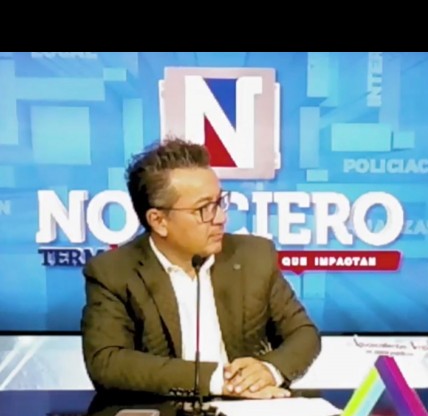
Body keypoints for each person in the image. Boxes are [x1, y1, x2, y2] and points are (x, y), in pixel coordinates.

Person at [81, 138, 321, 399]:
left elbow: (303, 334)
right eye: (204, 209)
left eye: (219, 202)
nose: (221, 218)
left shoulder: (254, 256)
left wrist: (269, 370)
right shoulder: (113, 273)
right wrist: (217, 381)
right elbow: (107, 362)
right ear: (159, 221)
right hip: (165, 415)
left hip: (249, 412)